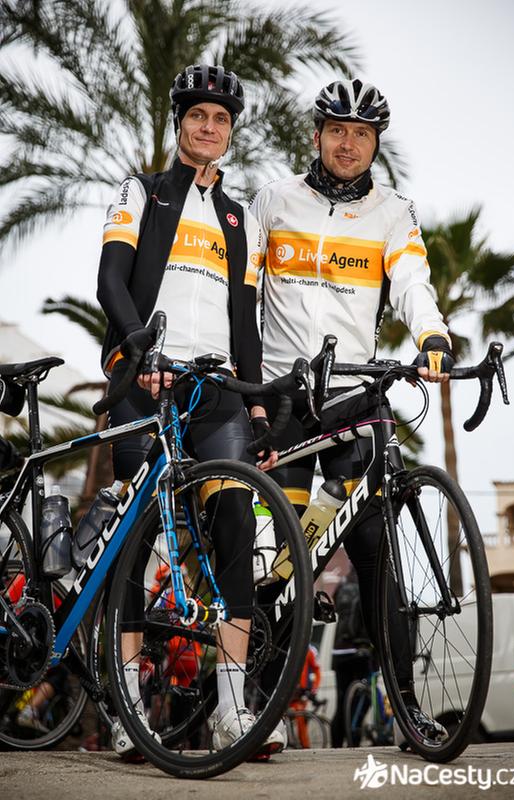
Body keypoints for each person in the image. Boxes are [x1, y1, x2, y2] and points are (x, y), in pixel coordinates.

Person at [250, 77, 454, 745]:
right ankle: (260, 709)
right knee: (278, 558)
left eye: (361, 134)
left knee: (376, 559)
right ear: (316, 135)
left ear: (374, 144)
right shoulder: (274, 200)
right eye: (337, 130)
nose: (347, 143)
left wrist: (431, 334)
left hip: (353, 399)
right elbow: (241, 291)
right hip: (281, 402)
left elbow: (412, 280)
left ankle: (407, 709)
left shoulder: (393, 212)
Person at [97, 63, 283, 759]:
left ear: (231, 133)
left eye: (221, 119)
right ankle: (128, 711)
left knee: (234, 520)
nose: (209, 127)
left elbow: (246, 321)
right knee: (137, 539)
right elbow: (110, 280)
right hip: (144, 380)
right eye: (198, 116)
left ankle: (234, 710)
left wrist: (258, 410)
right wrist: (138, 349)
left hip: (215, 389)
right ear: (179, 124)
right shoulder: (141, 192)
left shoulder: (239, 219)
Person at [330, 570, 371, 747]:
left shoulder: (342, 585)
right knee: (363, 698)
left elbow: (336, 609)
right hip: (359, 649)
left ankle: (336, 744)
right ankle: (354, 739)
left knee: (342, 701)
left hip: (338, 651)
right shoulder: (367, 583)